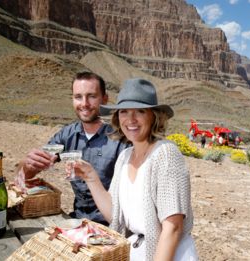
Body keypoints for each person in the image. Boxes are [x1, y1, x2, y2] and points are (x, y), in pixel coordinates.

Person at [72, 78, 198, 260]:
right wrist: (91, 177)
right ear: (117, 117)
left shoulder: (165, 154)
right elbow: (115, 215)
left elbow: (173, 228)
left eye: (140, 111)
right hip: (138, 251)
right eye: (124, 111)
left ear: (154, 116)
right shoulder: (125, 157)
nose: (131, 119)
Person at [16, 72, 128, 224]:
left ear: (105, 99)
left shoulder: (121, 140)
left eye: (92, 96)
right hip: (76, 220)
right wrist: (28, 164)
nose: (84, 103)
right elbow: (26, 174)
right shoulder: (66, 135)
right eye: (78, 97)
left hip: (112, 224)